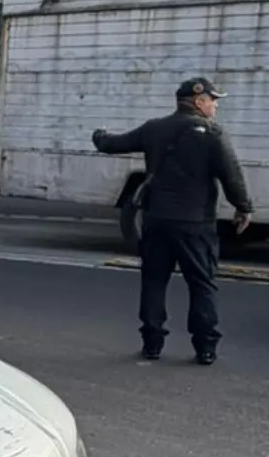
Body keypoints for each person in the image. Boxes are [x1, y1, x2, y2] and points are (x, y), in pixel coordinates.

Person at [92, 76, 254, 365]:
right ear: (198, 101)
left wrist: (99, 135)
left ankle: (152, 343)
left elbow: (113, 144)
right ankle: (205, 347)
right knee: (202, 284)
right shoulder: (213, 134)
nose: (215, 106)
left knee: (154, 281)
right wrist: (243, 208)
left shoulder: (155, 128)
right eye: (213, 101)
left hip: (156, 221)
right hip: (195, 224)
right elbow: (232, 175)